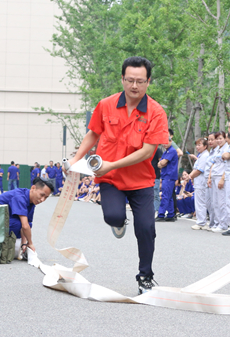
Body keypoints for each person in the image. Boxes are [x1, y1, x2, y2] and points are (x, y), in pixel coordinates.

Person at [66, 56, 169, 295]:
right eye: (130, 80)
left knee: (146, 228)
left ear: (148, 82)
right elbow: (93, 133)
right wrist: (75, 159)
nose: (134, 86)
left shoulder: (156, 112)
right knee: (113, 216)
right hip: (110, 179)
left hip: (141, 180)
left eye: (140, 81)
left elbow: (147, 152)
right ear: (122, 79)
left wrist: (112, 164)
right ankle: (119, 222)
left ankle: (145, 276)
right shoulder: (106, 105)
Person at [0, 177, 53, 256]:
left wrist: (24, 243)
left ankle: (13, 244)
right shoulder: (19, 197)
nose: (42, 199)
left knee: (28, 223)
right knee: (18, 224)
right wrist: (30, 243)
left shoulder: (32, 201)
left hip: (2, 222)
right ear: (33, 188)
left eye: (46, 197)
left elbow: (27, 224)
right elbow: (24, 226)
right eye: (42, 195)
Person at [188, 137, 211, 230]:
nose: (197, 147)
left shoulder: (205, 156)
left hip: (201, 183)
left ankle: (201, 222)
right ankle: (201, 221)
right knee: (200, 202)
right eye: (196, 145)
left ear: (205, 146)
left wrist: (189, 177)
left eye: (199, 145)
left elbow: (199, 170)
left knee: (200, 203)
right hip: (198, 182)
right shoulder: (201, 155)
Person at [157, 133, 179, 221]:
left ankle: (161, 214)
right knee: (168, 196)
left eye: (167, 142)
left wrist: (162, 162)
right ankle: (170, 214)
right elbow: (159, 164)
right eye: (163, 142)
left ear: (171, 141)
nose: (165, 144)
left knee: (165, 195)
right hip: (166, 175)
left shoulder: (172, 151)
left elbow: (162, 163)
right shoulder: (166, 152)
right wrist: (162, 163)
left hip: (169, 175)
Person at [151, 145, 164, 213]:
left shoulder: (157, 150)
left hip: (156, 175)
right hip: (148, 175)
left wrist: (162, 174)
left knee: (156, 193)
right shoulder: (147, 150)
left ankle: (156, 209)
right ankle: (150, 209)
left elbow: (161, 162)